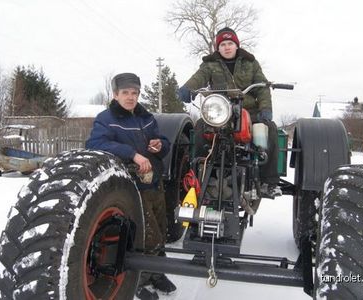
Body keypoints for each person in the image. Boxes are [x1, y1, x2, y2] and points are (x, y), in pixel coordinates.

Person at [86, 73, 176, 300]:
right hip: (131, 185)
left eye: (134, 93)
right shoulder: (106, 118)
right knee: (145, 234)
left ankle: (157, 274)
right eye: (125, 92)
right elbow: (96, 144)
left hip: (154, 183)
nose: (130, 97)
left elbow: (163, 143)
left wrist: (159, 145)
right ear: (115, 94)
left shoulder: (146, 117)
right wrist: (133, 154)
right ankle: (140, 281)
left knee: (161, 227)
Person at [177, 27, 281, 199]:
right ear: (218, 48)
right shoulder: (209, 64)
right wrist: (188, 89)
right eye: (223, 44)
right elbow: (199, 78)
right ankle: (200, 175)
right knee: (201, 127)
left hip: (249, 111)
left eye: (230, 43)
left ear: (236, 45)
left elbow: (262, 87)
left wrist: (265, 109)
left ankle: (268, 181)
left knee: (269, 128)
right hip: (220, 111)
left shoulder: (251, 63)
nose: (227, 47)